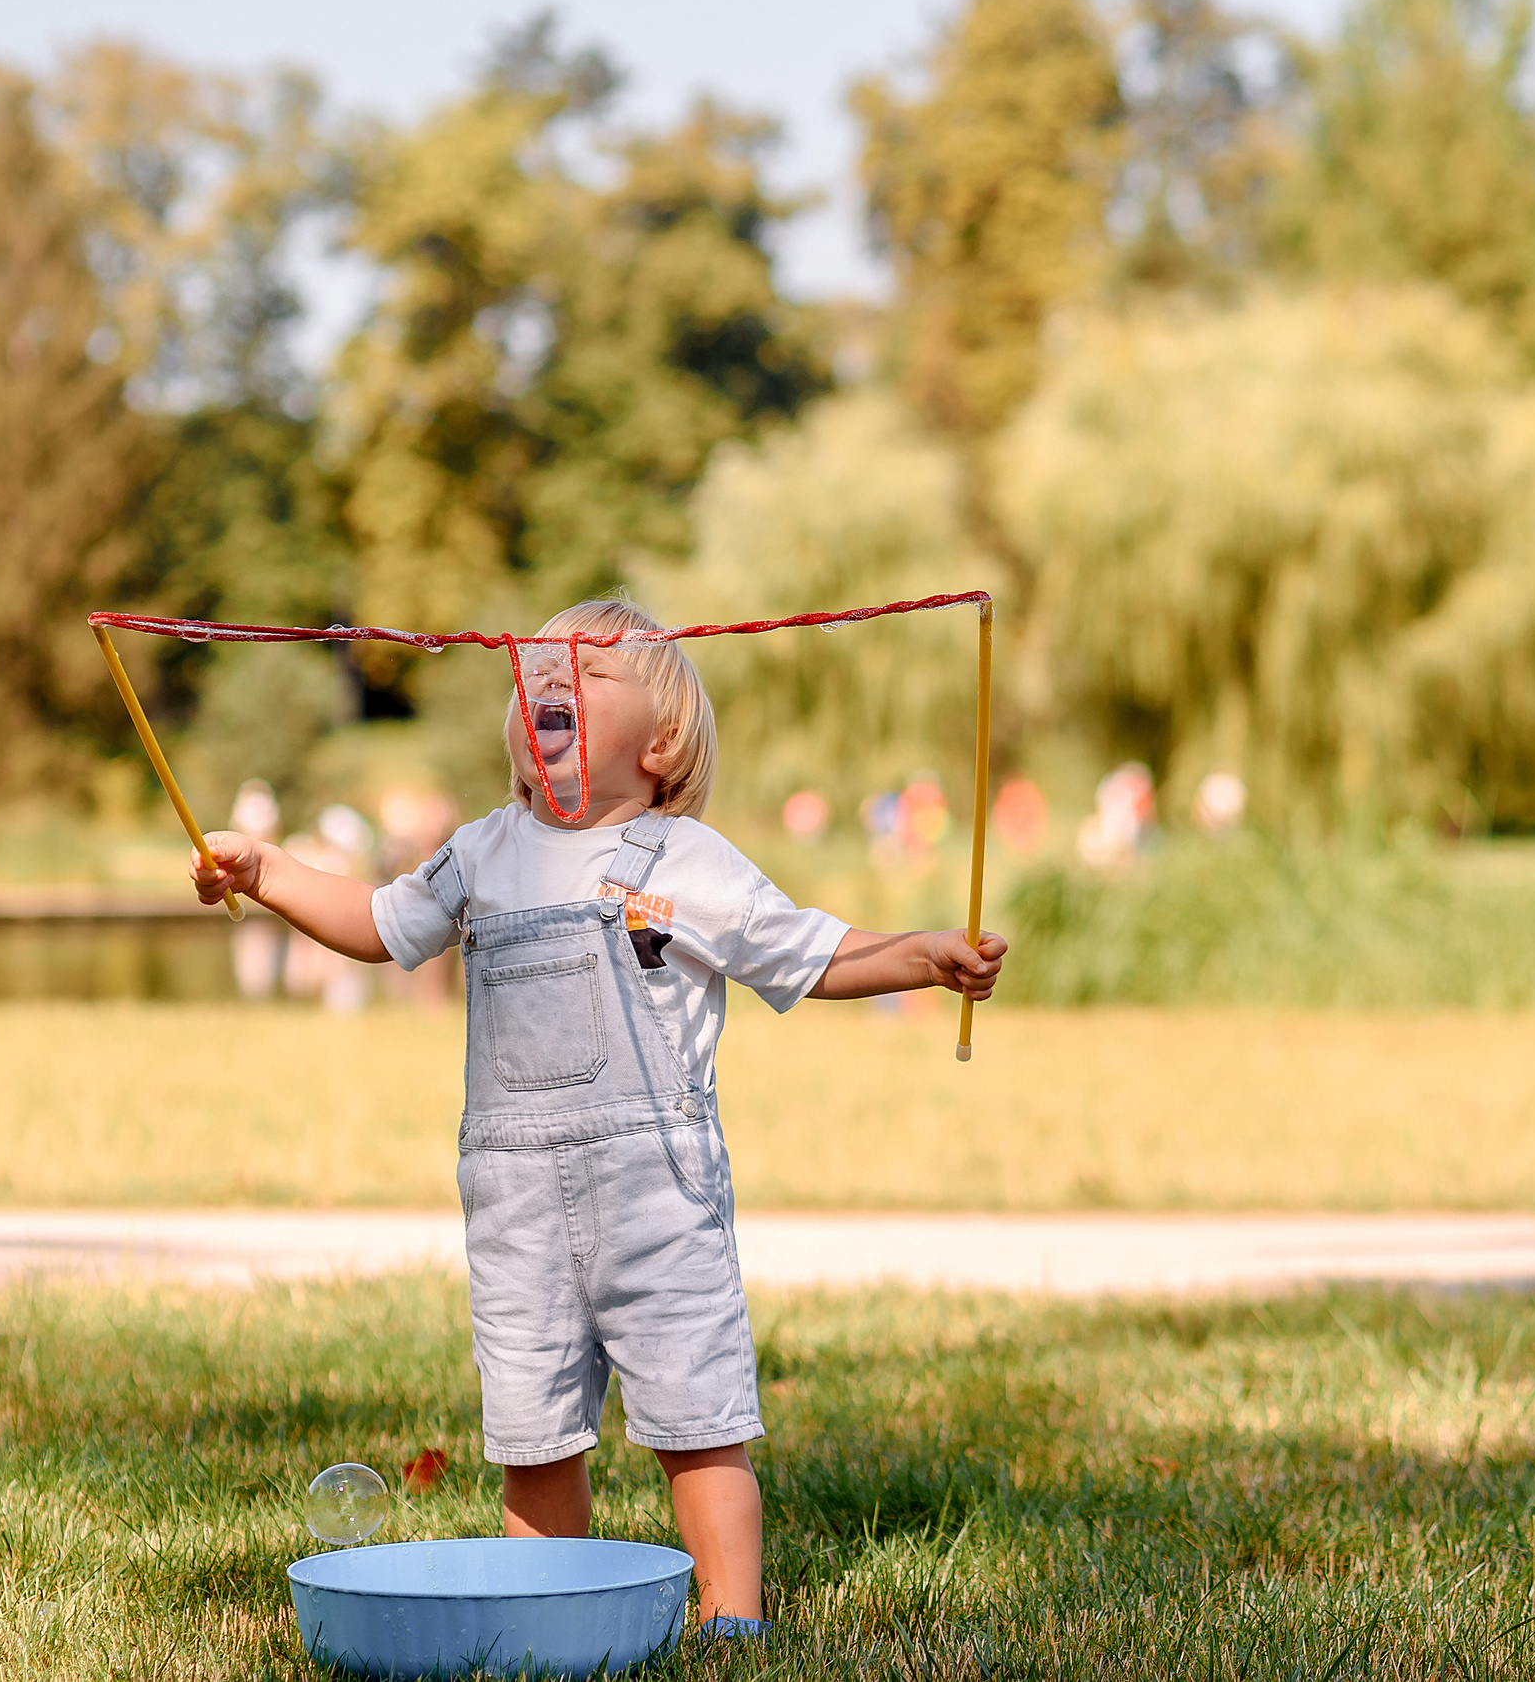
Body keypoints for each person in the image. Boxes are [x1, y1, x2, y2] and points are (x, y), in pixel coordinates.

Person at [189, 596, 1006, 1639]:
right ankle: (548, 1617)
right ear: (519, 740)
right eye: (535, 676)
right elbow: (376, 922)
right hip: (515, 1205)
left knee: (699, 1425)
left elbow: (807, 951)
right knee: (533, 1440)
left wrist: (924, 953)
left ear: (661, 743)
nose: (552, 683)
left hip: (657, 1195)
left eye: (588, 674)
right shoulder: (482, 851)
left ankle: (731, 1620)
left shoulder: (689, 859)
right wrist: (268, 872)